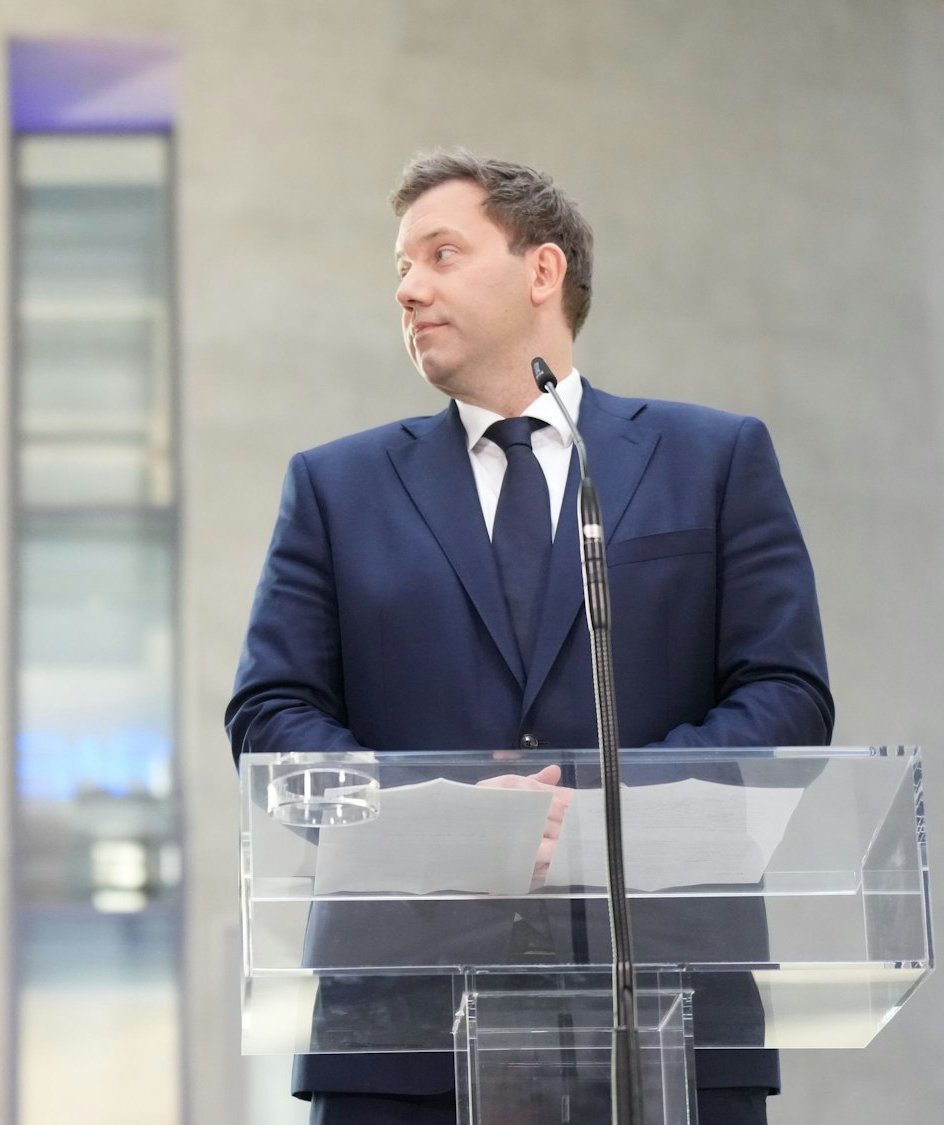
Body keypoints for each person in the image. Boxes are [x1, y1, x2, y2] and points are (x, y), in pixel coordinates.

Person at [226, 149, 834, 1125]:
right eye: (398, 269)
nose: (408, 289)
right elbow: (269, 717)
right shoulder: (333, 489)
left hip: (667, 1020)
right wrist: (431, 815)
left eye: (440, 254)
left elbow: (784, 698)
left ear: (540, 271)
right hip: (398, 1036)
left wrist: (587, 811)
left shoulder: (712, 461)